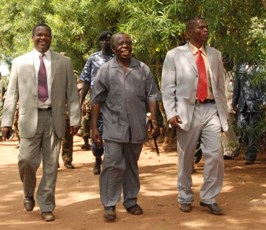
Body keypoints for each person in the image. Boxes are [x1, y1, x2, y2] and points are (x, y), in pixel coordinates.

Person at [1, 23, 81, 222]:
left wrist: (75, 118)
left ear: (51, 38)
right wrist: (6, 121)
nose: (43, 38)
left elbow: (72, 93)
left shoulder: (64, 62)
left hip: (54, 118)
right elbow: (11, 94)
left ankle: (46, 205)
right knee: (26, 160)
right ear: (33, 37)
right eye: (39, 34)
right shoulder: (20, 63)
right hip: (30, 118)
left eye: (47, 35)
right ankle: (28, 192)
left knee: (51, 165)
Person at [161, 17, 228, 215]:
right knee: (186, 157)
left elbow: (220, 87)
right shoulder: (174, 55)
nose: (206, 30)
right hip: (186, 112)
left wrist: (224, 113)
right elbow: (167, 87)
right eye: (201, 27)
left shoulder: (215, 55)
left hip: (210, 109)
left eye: (207, 27)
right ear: (189, 32)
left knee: (215, 155)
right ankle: (185, 197)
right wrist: (171, 112)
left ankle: (209, 197)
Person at [91, 32, 160, 222]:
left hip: (137, 126)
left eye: (128, 43)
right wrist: (94, 127)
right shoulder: (105, 70)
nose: (125, 46)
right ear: (113, 49)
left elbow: (152, 96)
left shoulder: (142, 69)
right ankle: (110, 204)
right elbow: (96, 100)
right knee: (112, 164)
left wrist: (154, 121)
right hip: (113, 126)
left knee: (131, 164)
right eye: (120, 44)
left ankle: (130, 201)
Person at [80, 30, 114, 175]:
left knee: (112, 132)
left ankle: (110, 160)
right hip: (97, 103)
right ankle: (97, 158)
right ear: (100, 43)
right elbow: (86, 81)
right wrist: (80, 101)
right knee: (97, 131)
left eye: (108, 41)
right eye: (103, 41)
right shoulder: (93, 59)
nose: (106, 43)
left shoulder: (117, 58)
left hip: (113, 103)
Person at [232, 64, 266, 165]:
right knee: (242, 128)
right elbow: (237, 86)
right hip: (242, 105)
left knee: (253, 132)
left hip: (256, 104)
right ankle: (245, 149)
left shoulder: (261, 67)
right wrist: (234, 102)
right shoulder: (240, 68)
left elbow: (265, 87)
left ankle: (250, 156)